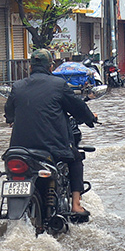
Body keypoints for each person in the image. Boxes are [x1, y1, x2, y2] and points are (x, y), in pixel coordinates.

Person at [5, 49, 98, 219]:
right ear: (50, 67)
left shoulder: (17, 86)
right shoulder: (59, 85)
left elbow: (9, 113)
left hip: (19, 150)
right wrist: (90, 118)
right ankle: (76, 205)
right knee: (76, 158)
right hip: (52, 148)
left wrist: (12, 119)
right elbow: (78, 107)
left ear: (30, 67)